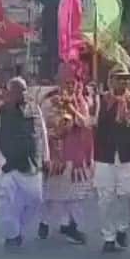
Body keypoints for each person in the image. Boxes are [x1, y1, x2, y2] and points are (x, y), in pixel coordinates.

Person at [0, 77, 50, 250]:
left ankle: (18, 226)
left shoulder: (34, 110)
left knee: (35, 199)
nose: (20, 94)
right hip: (9, 167)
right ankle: (12, 235)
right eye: (16, 90)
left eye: (22, 90)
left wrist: (46, 157)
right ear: (8, 93)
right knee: (7, 202)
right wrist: (1, 162)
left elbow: (42, 134)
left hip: (31, 165)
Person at [93, 68, 130, 253]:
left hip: (127, 155)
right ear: (111, 80)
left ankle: (121, 228)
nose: (123, 83)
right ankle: (108, 236)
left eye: (126, 80)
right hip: (104, 156)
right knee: (105, 198)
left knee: (126, 194)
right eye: (119, 79)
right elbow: (91, 120)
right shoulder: (100, 100)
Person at [39, 65, 93, 245]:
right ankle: (44, 222)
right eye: (67, 83)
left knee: (74, 194)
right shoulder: (49, 101)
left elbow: (86, 123)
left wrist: (72, 109)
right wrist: (60, 125)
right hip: (56, 154)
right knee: (52, 193)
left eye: (74, 83)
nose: (71, 86)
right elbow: (45, 126)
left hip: (76, 155)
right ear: (60, 83)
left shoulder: (81, 101)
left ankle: (70, 224)